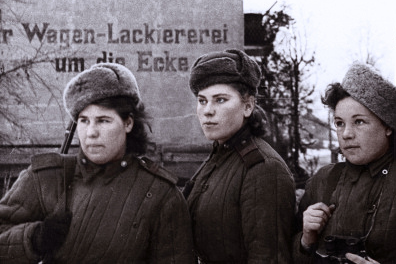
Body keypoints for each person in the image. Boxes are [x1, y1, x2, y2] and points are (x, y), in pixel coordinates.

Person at [0, 62, 195, 263]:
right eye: (84, 121)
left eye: (103, 120)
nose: (91, 132)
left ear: (128, 123)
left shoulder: (159, 194)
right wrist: (35, 238)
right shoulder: (46, 178)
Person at [294, 62, 396, 264]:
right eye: (339, 123)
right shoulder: (322, 181)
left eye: (359, 122)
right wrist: (305, 240)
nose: (346, 134)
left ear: (387, 126)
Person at [184, 48, 296, 263]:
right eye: (202, 100)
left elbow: (267, 257)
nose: (207, 110)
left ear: (248, 106)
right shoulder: (219, 156)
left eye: (220, 100)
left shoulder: (263, 169)